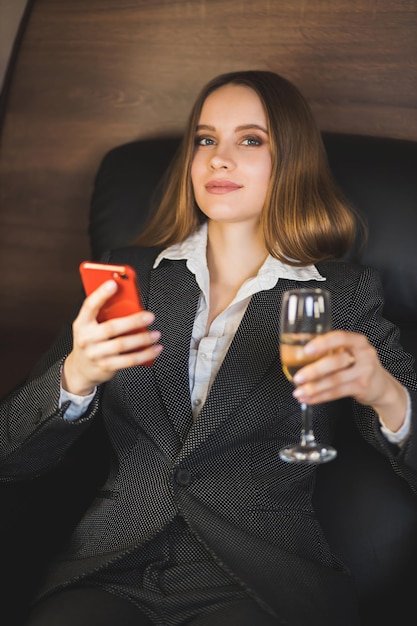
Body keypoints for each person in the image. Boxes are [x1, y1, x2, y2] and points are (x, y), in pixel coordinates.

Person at [1, 70, 416, 626]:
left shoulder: (340, 294)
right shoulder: (128, 277)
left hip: (260, 573)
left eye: (250, 139)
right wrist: (74, 378)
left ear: (289, 160)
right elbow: (10, 455)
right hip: (110, 565)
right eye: (205, 140)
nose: (219, 159)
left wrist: (385, 393)